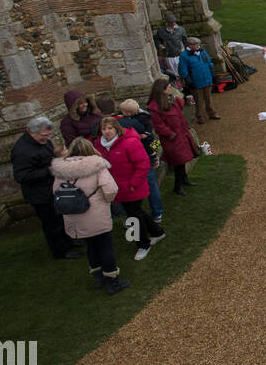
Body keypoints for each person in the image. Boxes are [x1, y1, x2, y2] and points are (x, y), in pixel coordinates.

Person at [50, 137, 129, 294]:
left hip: (74, 214)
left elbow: (55, 192)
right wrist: (106, 201)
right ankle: (112, 282)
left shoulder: (61, 171)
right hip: (95, 213)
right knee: (105, 247)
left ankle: (98, 277)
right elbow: (111, 189)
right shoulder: (97, 167)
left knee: (91, 246)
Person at [94, 115, 164, 261]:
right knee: (136, 212)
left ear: (116, 128)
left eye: (110, 128)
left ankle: (143, 245)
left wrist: (133, 184)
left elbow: (143, 164)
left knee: (133, 216)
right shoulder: (99, 145)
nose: (107, 131)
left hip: (132, 187)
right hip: (117, 188)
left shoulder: (130, 143)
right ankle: (157, 232)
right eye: (103, 129)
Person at [11, 116, 82, 260]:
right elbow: (22, 177)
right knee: (52, 224)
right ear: (32, 133)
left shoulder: (43, 141)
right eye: (45, 136)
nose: (48, 138)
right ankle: (60, 251)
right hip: (40, 195)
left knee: (61, 219)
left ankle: (68, 242)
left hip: (51, 189)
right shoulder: (22, 151)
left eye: (49, 135)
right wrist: (50, 170)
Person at [116, 98, 164, 225]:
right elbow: (154, 138)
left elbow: (151, 138)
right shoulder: (146, 118)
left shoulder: (132, 123)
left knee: (145, 184)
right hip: (144, 154)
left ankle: (143, 214)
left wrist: (153, 150)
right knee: (149, 184)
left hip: (140, 156)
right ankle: (156, 212)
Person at [148, 78, 196, 196]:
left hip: (181, 134)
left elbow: (181, 103)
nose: (171, 88)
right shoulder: (154, 107)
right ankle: (177, 186)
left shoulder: (170, 100)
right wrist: (171, 134)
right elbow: (158, 126)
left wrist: (174, 97)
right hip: (172, 138)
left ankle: (184, 179)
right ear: (162, 90)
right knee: (178, 162)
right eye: (169, 87)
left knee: (183, 159)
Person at [179, 36, 220, 123]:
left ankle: (212, 113)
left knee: (209, 98)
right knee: (199, 100)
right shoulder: (184, 56)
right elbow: (183, 70)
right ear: (190, 45)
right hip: (196, 81)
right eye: (195, 44)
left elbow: (209, 63)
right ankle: (200, 116)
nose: (198, 45)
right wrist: (189, 81)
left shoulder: (203, 52)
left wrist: (213, 75)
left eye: (198, 44)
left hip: (207, 79)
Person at [155, 13, 188, 82]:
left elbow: (185, 41)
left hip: (179, 54)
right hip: (168, 55)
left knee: (183, 71)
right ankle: (179, 86)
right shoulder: (161, 31)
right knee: (173, 73)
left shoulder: (181, 30)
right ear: (167, 22)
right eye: (170, 22)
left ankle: (185, 84)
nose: (172, 24)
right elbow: (157, 40)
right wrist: (160, 45)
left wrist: (187, 51)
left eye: (173, 22)